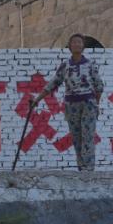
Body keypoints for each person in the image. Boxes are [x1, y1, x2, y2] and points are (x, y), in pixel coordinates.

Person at [31, 33, 104, 171]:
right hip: (71, 105)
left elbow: (99, 85)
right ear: (70, 46)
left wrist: (96, 104)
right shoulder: (65, 66)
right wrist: (37, 99)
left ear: (83, 46)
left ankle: (88, 169)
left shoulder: (90, 65)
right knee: (76, 137)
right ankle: (81, 168)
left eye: (79, 42)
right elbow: (52, 84)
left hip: (88, 104)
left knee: (88, 136)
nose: (77, 44)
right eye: (74, 42)